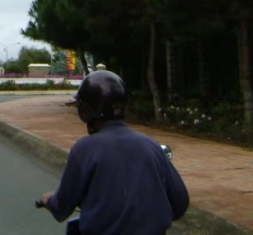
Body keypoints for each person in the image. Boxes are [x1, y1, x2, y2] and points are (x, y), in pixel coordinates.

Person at [39, 70, 189, 235]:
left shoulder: (84, 149)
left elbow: (62, 207)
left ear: (86, 109)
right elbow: (180, 204)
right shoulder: (151, 145)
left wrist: (48, 200)